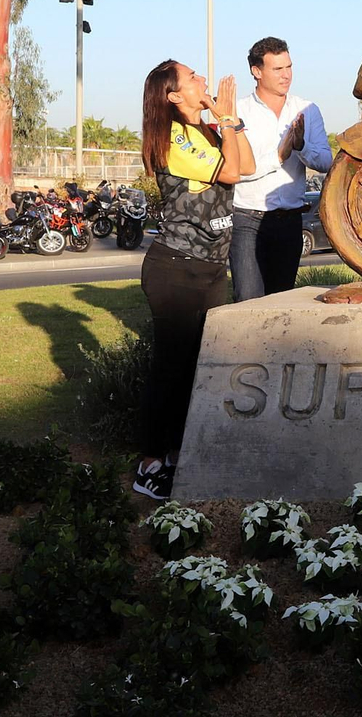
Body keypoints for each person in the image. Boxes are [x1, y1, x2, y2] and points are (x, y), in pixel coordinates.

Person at [134, 61, 255, 500]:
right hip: (176, 268)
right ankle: (149, 463)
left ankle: (178, 453)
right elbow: (230, 173)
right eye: (192, 78)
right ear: (173, 95)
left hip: (210, 269)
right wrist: (225, 120)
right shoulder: (172, 138)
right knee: (170, 367)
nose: (202, 79)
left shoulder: (206, 130)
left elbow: (248, 163)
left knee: (197, 367)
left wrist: (229, 121)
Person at [230, 37, 332, 301]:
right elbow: (237, 170)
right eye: (277, 69)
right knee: (248, 302)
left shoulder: (307, 110)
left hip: (290, 221)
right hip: (247, 220)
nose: (286, 75)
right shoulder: (237, 111)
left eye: (289, 67)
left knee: (280, 303)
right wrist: (278, 156)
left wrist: (300, 146)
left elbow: (325, 162)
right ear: (256, 71)